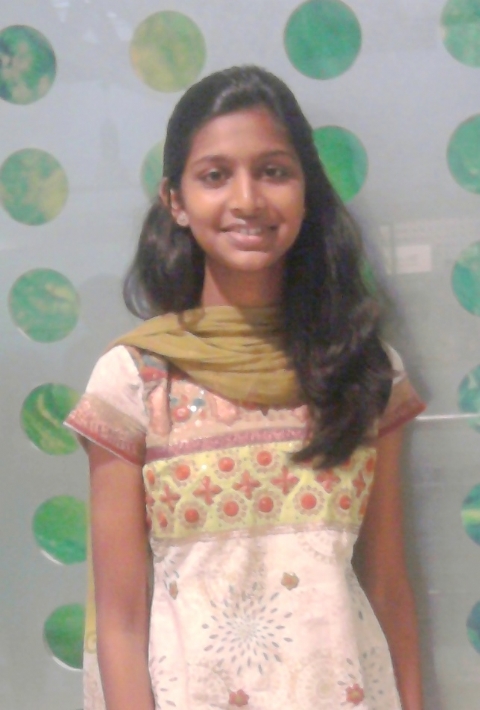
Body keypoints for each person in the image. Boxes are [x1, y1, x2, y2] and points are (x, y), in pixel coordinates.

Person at [66, 65, 425, 710]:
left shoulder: (363, 373)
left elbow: (388, 587)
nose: (248, 199)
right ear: (175, 201)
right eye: (215, 175)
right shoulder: (136, 380)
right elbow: (120, 618)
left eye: (273, 171)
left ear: (307, 190)